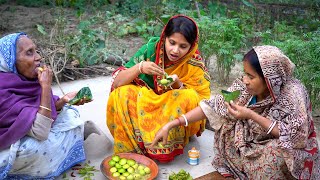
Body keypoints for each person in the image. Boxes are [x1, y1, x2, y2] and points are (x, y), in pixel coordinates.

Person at [151, 45, 320, 179]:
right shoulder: (245, 87)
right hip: (254, 141)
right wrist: (173, 124)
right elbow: (214, 105)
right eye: (244, 74)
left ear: (269, 79)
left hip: (283, 145)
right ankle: (245, 167)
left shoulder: (292, 94)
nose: (245, 80)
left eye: (251, 76)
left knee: (275, 153)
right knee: (229, 126)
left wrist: (251, 115)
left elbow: (293, 136)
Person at [106, 15, 210, 162]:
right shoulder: (150, 50)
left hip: (170, 109)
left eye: (183, 46)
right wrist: (139, 67)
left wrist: (177, 84)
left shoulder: (193, 63)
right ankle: (134, 146)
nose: (175, 50)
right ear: (164, 37)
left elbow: (202, 102)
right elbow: (117, 82)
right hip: (144, 104)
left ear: (192, 46)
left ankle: (167, 144)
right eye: (172, 43)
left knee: (189, 96)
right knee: (121, 93)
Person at [0, 32, 92, 179]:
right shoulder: (2, 89)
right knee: (35, 148)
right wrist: (45, 86)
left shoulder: (25, 80)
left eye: (36, 51)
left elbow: (37, 109)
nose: (38, 57)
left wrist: (62, 101)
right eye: (29, 53)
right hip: (8, 143)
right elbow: (41, 132)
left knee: (71, 114)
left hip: (30, 129)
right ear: (11, 61)